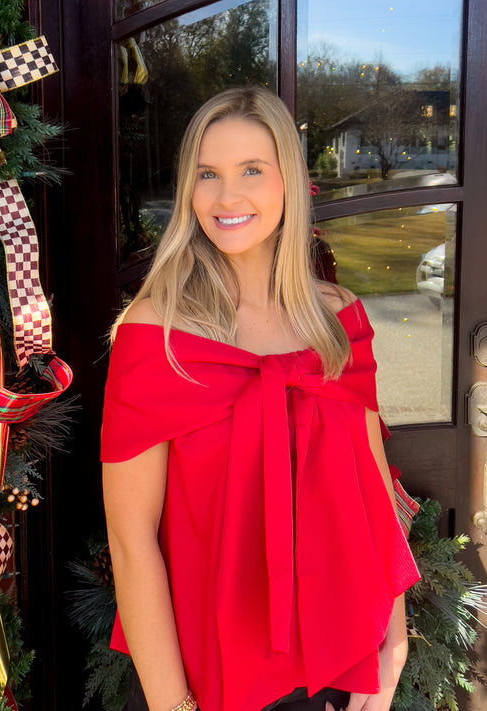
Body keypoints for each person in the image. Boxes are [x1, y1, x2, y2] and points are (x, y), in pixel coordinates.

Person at [101, 86, 420, 711]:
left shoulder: (340, 321)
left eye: (252, 170)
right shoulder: (155, 337)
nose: (228, 196)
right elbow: (130, 538)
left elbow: (375, 493)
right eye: (208, 174)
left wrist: (394, 642)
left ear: (290, 183)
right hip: (206, 682)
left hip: (340, 665)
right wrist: (175, 707)